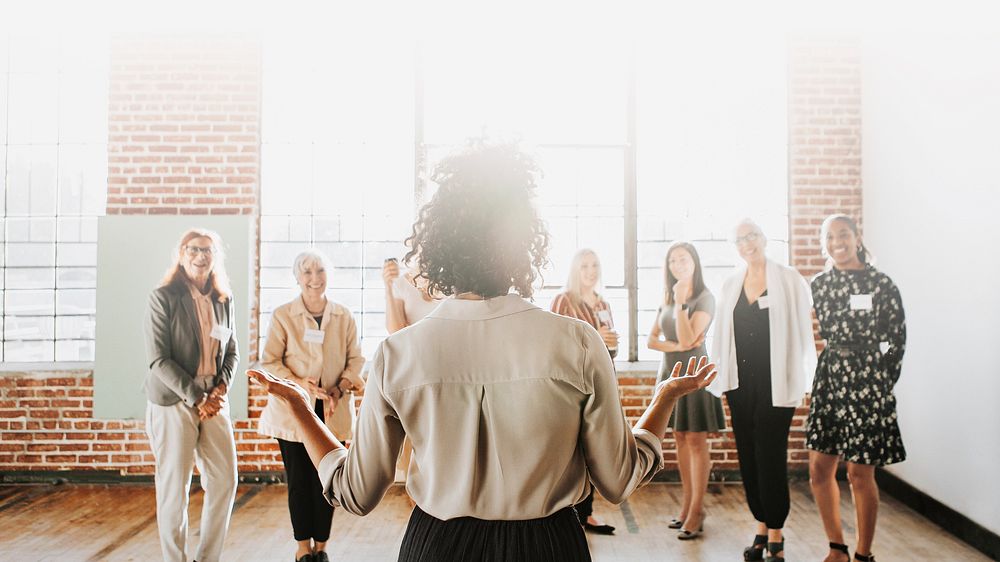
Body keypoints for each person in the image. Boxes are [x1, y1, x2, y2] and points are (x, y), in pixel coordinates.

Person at [248, 139, 718, 562]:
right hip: (549, 547)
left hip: (437, 546)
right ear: (523, 241)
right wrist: (663, 400)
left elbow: (357, 492)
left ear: (438, 244)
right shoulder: (576, 341)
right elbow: (617, 480)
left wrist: (298, 407)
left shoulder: (398, 353)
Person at [708, 219, 817, 562]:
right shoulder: (730, 283)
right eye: (739, 238)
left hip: (777, 383)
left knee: (770, 456)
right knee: (749, 456)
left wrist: (804, 377)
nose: (746, 243)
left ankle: (777, 533)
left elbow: (802, 331)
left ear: (763, 238)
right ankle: (760, 524)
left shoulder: (787, 279)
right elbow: (721, 336)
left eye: (751, 235)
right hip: (740, 385)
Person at [807, 215, 906, 562]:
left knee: (859, 471)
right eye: (830, 236)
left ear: (857, 237)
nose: (837, 242)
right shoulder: (819, 284)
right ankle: (837, 547)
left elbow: (896, 339)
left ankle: (864, 554)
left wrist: (882, 377)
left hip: (868, 378)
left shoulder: (881, 284)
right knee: (819, 468)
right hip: (831, 375)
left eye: (844, 234)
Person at [258, 250, 366, 562]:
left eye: (319, 271)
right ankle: (302, 547)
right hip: (294, 411)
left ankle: (322, 547)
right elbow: (270, 363)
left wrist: (341, 386)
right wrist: (298, 384)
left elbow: (356, 359)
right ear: (297, 277)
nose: (314, 278)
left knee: (329, 481)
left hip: (333, 409)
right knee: (300, 483)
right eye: (307, 272)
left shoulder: (343, 315)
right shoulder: (282, 315)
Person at [143, 228, 238, 562]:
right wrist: (198, 398)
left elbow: (232, 353)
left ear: (216, 257)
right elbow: (158, 359)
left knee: (226, 479)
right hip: (174, 401)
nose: (201, 256)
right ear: (181, 254)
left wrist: (220, 388)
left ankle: (207, 558)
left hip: (214, 400)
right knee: (174, 489)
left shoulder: (223, 298)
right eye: (194, 249)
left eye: (208, 251)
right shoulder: (164, 297)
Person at [647, 241, 724, 540]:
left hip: (695, 373)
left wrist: (680, 305)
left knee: (695, 439)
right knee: (679, 436)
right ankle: (686, 507)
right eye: (672, 261)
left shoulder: (705, 298)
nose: (678, 265)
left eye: (684, 259)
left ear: (695, 262)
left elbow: (690, 335)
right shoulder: (668, 295)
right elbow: (652, 341)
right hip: (670, 372)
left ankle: (697, 509)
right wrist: (676, 346)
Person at [550, 248, 620, 535]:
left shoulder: (603, 303)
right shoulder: (563, 301)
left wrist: (608, 344)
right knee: (571, 452)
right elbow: (555, 348)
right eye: (584, 266)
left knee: (594, 449)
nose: (590, 271)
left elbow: (611, 351)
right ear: (574, 270)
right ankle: (567, 514)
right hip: (572, 387)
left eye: (594, 265)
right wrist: (596, 337)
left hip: (599, 384)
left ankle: (587, 514)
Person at [382, 255, 441, 485]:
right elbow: (395, 330)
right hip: (416, 371)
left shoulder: (457, 280)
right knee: (416, 444)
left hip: (449, 367)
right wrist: (388, 288)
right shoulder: (402, 282)